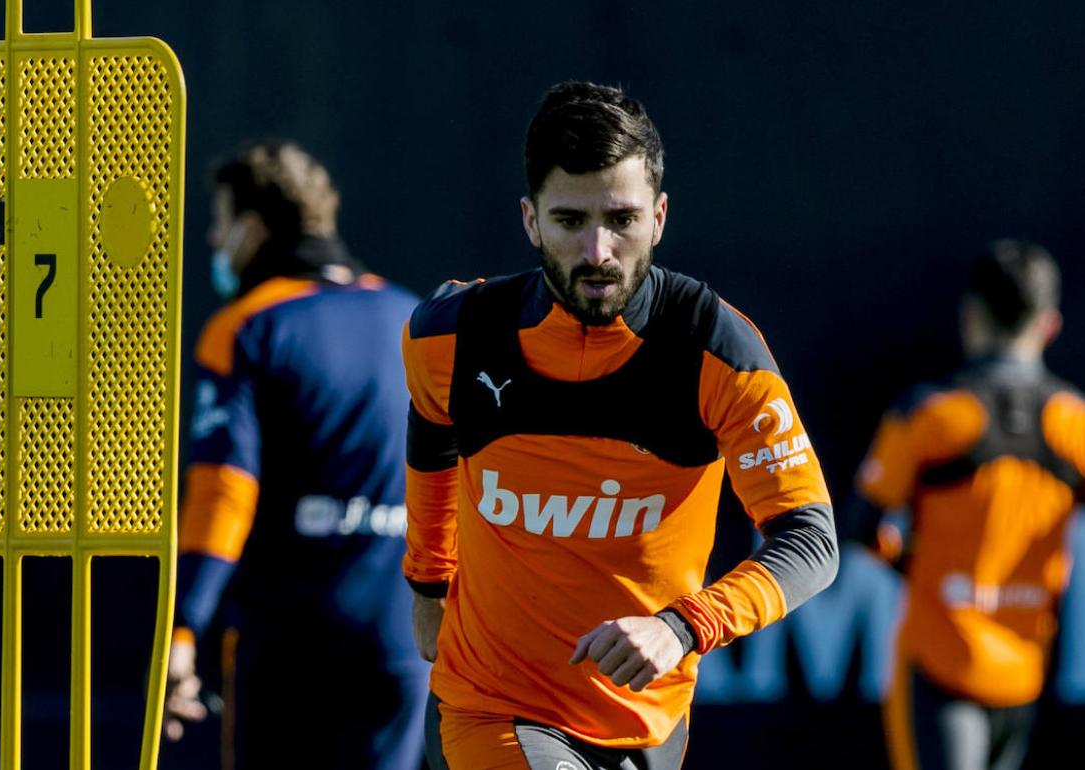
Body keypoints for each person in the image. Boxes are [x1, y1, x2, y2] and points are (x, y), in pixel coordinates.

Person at [400, 81, 839, 770]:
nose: (598, 249)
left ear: (659, 217)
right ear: (530, 220)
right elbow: (431, 434)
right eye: (570, 220)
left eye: (623, 219)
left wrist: (685, 626)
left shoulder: (718, 352)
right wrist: (430, 581)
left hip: (649, 722)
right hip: (493, 706)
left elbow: (811, 541)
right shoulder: (449, 336)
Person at [845, 240, 1085, 770]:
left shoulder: (929, 416)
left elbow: (861, 525)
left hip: (940, 665)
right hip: (1020, 672)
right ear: (1050, 325)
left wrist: (908, 563)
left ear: (971, 315)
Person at [161, 140, 429, 770]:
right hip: (402, 645)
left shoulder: (248, 325)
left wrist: (182, 629)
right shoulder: (416, 319)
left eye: (219, 222)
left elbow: (224, 492)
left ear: (252, 230)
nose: (212, 239)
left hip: (289, 651)